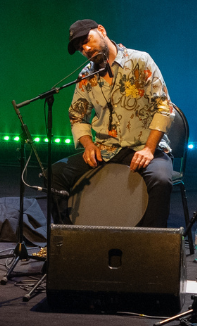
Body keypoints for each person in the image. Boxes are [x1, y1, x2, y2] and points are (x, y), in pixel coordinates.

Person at [49, 19, 174, 228]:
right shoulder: (85, 76)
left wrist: (150, 149)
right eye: (81, 48)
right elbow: (77, 116)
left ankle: (150, 247)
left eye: (87, 41)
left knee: (160, 180)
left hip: (143, 147)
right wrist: (88, 145)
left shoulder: (140, 61)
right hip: (105, 150)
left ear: (101, 30)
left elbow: (164, 107)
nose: (86, 49)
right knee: (54, 175)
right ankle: (69, 241)